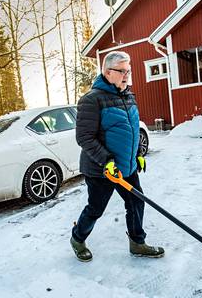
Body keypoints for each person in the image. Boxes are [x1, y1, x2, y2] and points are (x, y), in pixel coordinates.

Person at [70, 51, 165, 262]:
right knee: (96, 209)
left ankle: (137, 243)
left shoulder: (129, 96)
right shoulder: (91, 100)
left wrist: (138, 154)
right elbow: (84, 138)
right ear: (107, 72)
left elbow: (130, 131)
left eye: (128, 71)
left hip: (126, 167)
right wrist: (107, 161)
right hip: (100, 169)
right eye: (122, 71)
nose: (126, 75)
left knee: (136, 203)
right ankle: (77, 238)